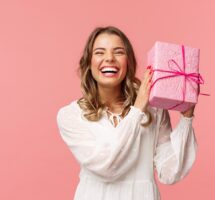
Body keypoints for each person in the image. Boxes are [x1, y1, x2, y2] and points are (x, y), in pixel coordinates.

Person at [56, 26, 198, 200]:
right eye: (100, 52)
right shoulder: (71, 115)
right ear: (88, 62)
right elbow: (107, 167)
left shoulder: (154, 110)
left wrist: (186, 117)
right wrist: (137, 110)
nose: (109, 58)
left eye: (118, 52)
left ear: (128, 61)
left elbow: (169, 173)